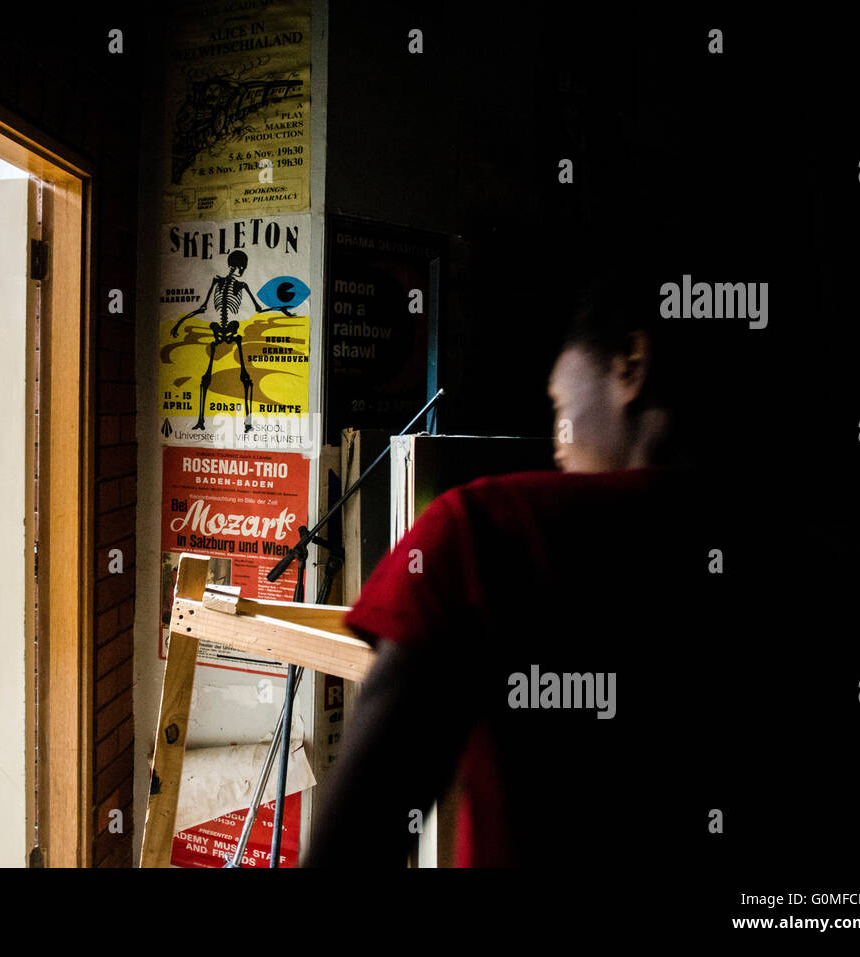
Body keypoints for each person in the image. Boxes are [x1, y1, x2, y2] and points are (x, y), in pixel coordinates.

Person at [301, 276, 769, 868]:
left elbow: (355, 842)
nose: (557, 443)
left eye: (559, 406)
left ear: (631, 364)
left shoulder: (487, 532)